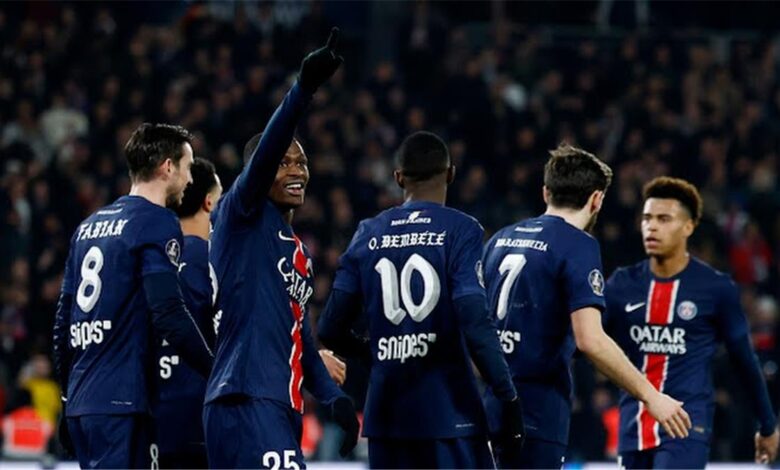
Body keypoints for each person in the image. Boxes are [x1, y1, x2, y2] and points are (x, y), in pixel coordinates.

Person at [318, 131, 525, 469]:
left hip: (386, 418)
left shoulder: (367, 233)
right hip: (449, 413)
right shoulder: (461, 229)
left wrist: (374, 352)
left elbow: (329, 328)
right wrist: (507, 395)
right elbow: (473, 318)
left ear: (398, 177)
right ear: (450, 174)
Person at [204, 28, 359, 469]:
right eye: (285, 162)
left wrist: (332, 397)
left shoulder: (297, 253)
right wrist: (302, 90)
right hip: (247, 397)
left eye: (302, 163)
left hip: (274, 403)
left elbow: (300, 338)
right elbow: (267, 152)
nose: (297, 171)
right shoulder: (241, 214)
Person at [481, 145, 690, 469]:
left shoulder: (499, 240)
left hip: (489, 407)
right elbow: (590, 339)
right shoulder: (577, 244)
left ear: (546, 192)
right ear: (596, 200)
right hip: (536, 411)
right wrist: (651, 396)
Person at [52, 123, 214, 469]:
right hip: (124, 403)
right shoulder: (156, 222)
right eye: (187, 167)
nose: (189, 179)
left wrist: (67, 400)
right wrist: (216, 371)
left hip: (83, 404)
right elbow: (168, 313)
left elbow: (63, 325)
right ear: (167, 167)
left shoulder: (87, 228)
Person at [604, 176, 779, 469]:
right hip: (634, 427)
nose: (652, 226)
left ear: (688, 227)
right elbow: (589, 343)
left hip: (687, 427)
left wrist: (767, 424)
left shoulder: (715, 288)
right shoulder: (622, 284)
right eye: (647, 218)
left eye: (663, 219)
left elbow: (744, 360)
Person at [154, 157, 222, 468]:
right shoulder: (209, 260)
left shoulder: (151, 256)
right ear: (209, 202)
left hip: (150, 412)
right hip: (198, 416)